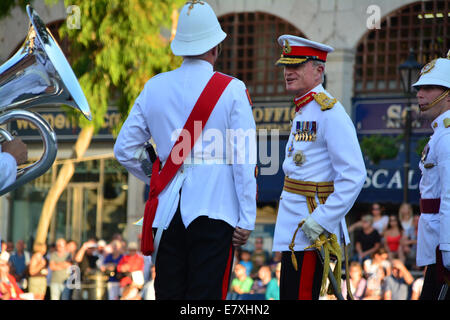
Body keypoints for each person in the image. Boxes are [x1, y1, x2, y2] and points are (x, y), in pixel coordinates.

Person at [114, 1, 256, 300]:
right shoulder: (232, 89)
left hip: (166, 213)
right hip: (216, 207)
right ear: (216, 47)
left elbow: (125, 149)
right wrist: (247, 218)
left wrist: (161, 176)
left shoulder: (154, 86)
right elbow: (244, 160)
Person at [271, 35, 366, 300]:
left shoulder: (329, 112)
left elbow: (354, 174)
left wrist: (322, 219)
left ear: (319, 70)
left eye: (297, 66)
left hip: (311, 229)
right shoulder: (305, 109)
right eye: (286, 66)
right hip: (297, 227)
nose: (288, 72)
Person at [412, 51, 450, 300]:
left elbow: (449, 196)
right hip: (436, 242)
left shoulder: (446, 136)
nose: (419, 94)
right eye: (419, 88)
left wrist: (447, 248)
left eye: (428, 88)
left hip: (442, 245)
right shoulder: (439, 134)